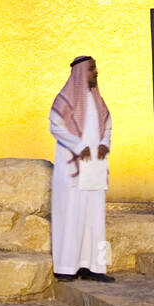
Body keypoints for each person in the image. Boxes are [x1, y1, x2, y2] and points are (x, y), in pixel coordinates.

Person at [48, 54, 115, 282]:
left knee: (95, 217)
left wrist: (105, 144)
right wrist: (78, 146)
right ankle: (67, 267)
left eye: (95, 68)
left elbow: (108, 126)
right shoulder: (65, 99)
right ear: (80, 72)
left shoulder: (99, 101)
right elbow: (55, 126)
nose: (95, 72)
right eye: (91, 69)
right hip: (72, 167)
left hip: (95, 165)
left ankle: (95, 267)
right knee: (71, 215)